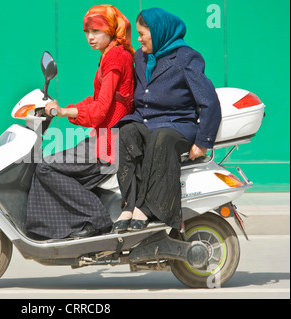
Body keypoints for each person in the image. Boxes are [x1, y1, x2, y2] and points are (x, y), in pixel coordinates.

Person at [25, 5, 135, 239]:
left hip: (108, 147)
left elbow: (101, 109)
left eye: (96, 31)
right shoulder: (112, 54)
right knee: (50, 163)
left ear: (111, 29)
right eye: (87, 32)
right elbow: (95, 101)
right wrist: (64, 108)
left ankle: (97, 219)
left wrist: (64, 112)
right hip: (103, 139)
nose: (90, 37)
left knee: (44, 166)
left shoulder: (115, 58)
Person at [111, 7, 222, 233]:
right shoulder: (141, 58)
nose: (139, 39)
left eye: (143, 34)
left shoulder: (185, 58)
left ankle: (150, 209)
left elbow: (209, 101)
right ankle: (130, 205)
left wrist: (202, 143)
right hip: (147, 122)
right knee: (126, 131)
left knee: (161, 137)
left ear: (159, 32)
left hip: (177, 125)